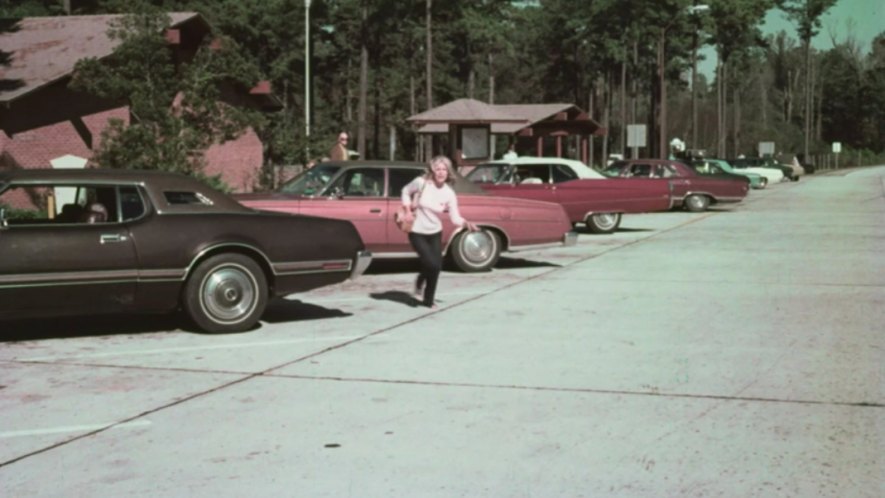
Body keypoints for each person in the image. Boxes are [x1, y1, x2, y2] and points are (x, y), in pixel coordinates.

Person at [401, 155, 478, 309]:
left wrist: (465, 223)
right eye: (438, 169)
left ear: (448, 172)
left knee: (436, 266)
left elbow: (454, 217)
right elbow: (405, 190)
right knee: (431, 263)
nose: (441, 172)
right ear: (433, 171)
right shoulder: (421, 183)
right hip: (416, 231)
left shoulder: (449, 193)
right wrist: (407, 209)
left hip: (435, 232)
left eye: (444, 169)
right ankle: (420, 283)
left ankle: (428, 299)